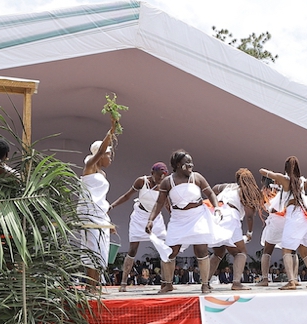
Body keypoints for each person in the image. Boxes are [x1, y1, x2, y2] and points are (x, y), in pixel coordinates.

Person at [146, 150, 222, 294]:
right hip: (178, 219)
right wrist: (150, 220)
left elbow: (210, 193)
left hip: (198, 216)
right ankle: (168, 284)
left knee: (201, 250)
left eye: (191, 163)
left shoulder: (197, 177)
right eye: (188, 163)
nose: (191, 166)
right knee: (170, 251)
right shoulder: (167, 182)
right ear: (179, 165)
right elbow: (159, 203)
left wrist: (217, 207)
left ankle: (205, 284)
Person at [259, 156, 307, 290]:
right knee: (303, 251)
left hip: (295, 215)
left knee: (286, 249)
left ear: (286, 168)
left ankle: (291, 282)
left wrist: (271, 175)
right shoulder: (305, 182)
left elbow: (261, 170)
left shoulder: (285, 180)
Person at [110, 162, 172, 292]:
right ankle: (123, 283)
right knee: (132, 250)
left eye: (163, 176)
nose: (161, 178)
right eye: (159, 175)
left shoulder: (165, 185)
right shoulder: (141, 181)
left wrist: (176, 216)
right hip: (139, 217)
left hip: (156, 219)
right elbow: (127, 195)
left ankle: (165, 283)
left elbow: (167, 204)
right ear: (152, 173)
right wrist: (112, 206)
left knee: (164, 249)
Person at [77, 116, 118, 289]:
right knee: (92, 248)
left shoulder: (102, 174)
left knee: (101, 249)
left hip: (100, 214)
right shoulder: (89, 165)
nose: (110, 157)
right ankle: (91, 286)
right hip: (89, 212)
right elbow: (100, 151)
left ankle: (94, 285)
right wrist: (112, 131)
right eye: (108, 154)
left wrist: (109, 222)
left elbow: (102, 199)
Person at [208, 168, 265, 291]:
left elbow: (214, 189)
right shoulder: (245, 191)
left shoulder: (228, 186)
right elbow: (249, 216)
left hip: (216, 215)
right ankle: (236, 283)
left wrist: (216, 201)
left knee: (218, 253)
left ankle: (205, 282)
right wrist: (249, 232)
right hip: (230, 217)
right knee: (240, 252)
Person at [254, 178, 284, 287]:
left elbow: (270, 209)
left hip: (276, 224)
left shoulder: (266, 193)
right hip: (286, 223)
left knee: (267, 252)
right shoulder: (283, 192)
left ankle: (265, 279)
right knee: (291, 251)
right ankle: (293, 278)